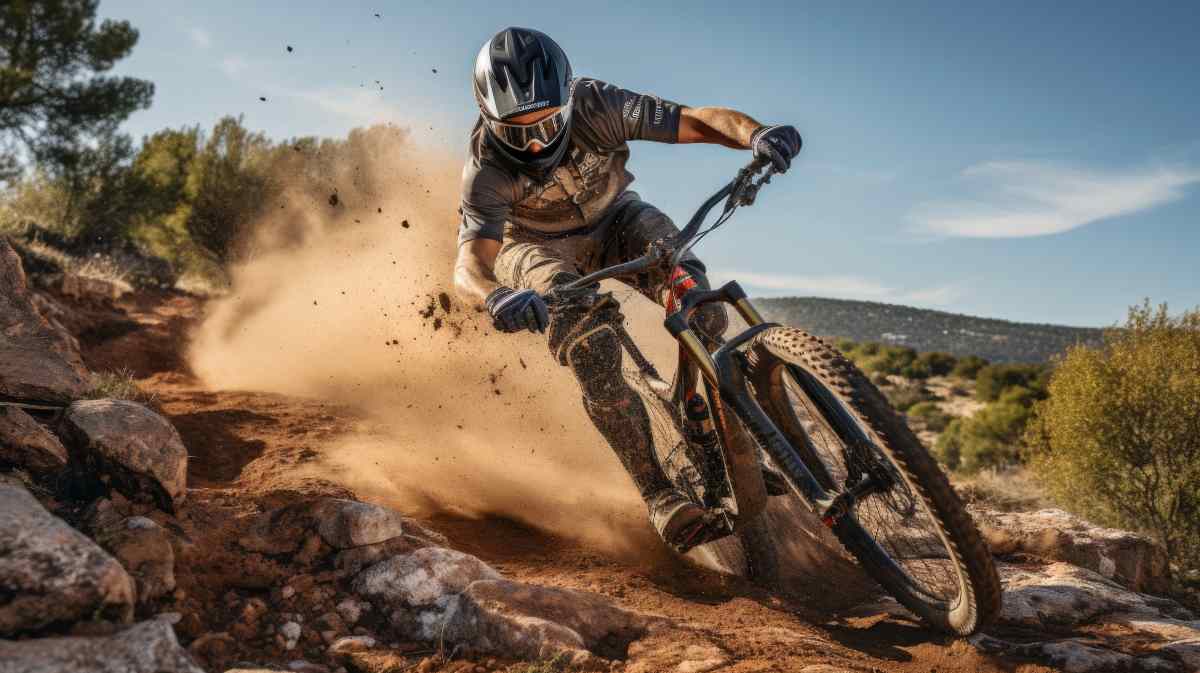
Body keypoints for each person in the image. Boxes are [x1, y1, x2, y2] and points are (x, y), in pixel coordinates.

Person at [453, 27, 802, 551]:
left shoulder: (599, 104)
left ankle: (705, 422)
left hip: (618, 219)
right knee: (590, 345)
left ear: (567, 102)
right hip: (537, 247)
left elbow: (697, 120)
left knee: (702, 307)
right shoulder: (485, 169)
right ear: (487, 118)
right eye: (515, 132)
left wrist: (756, 134)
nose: (535, 143)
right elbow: (469, 264)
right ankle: (659, 493)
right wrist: (494, 296)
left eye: (546, 124)